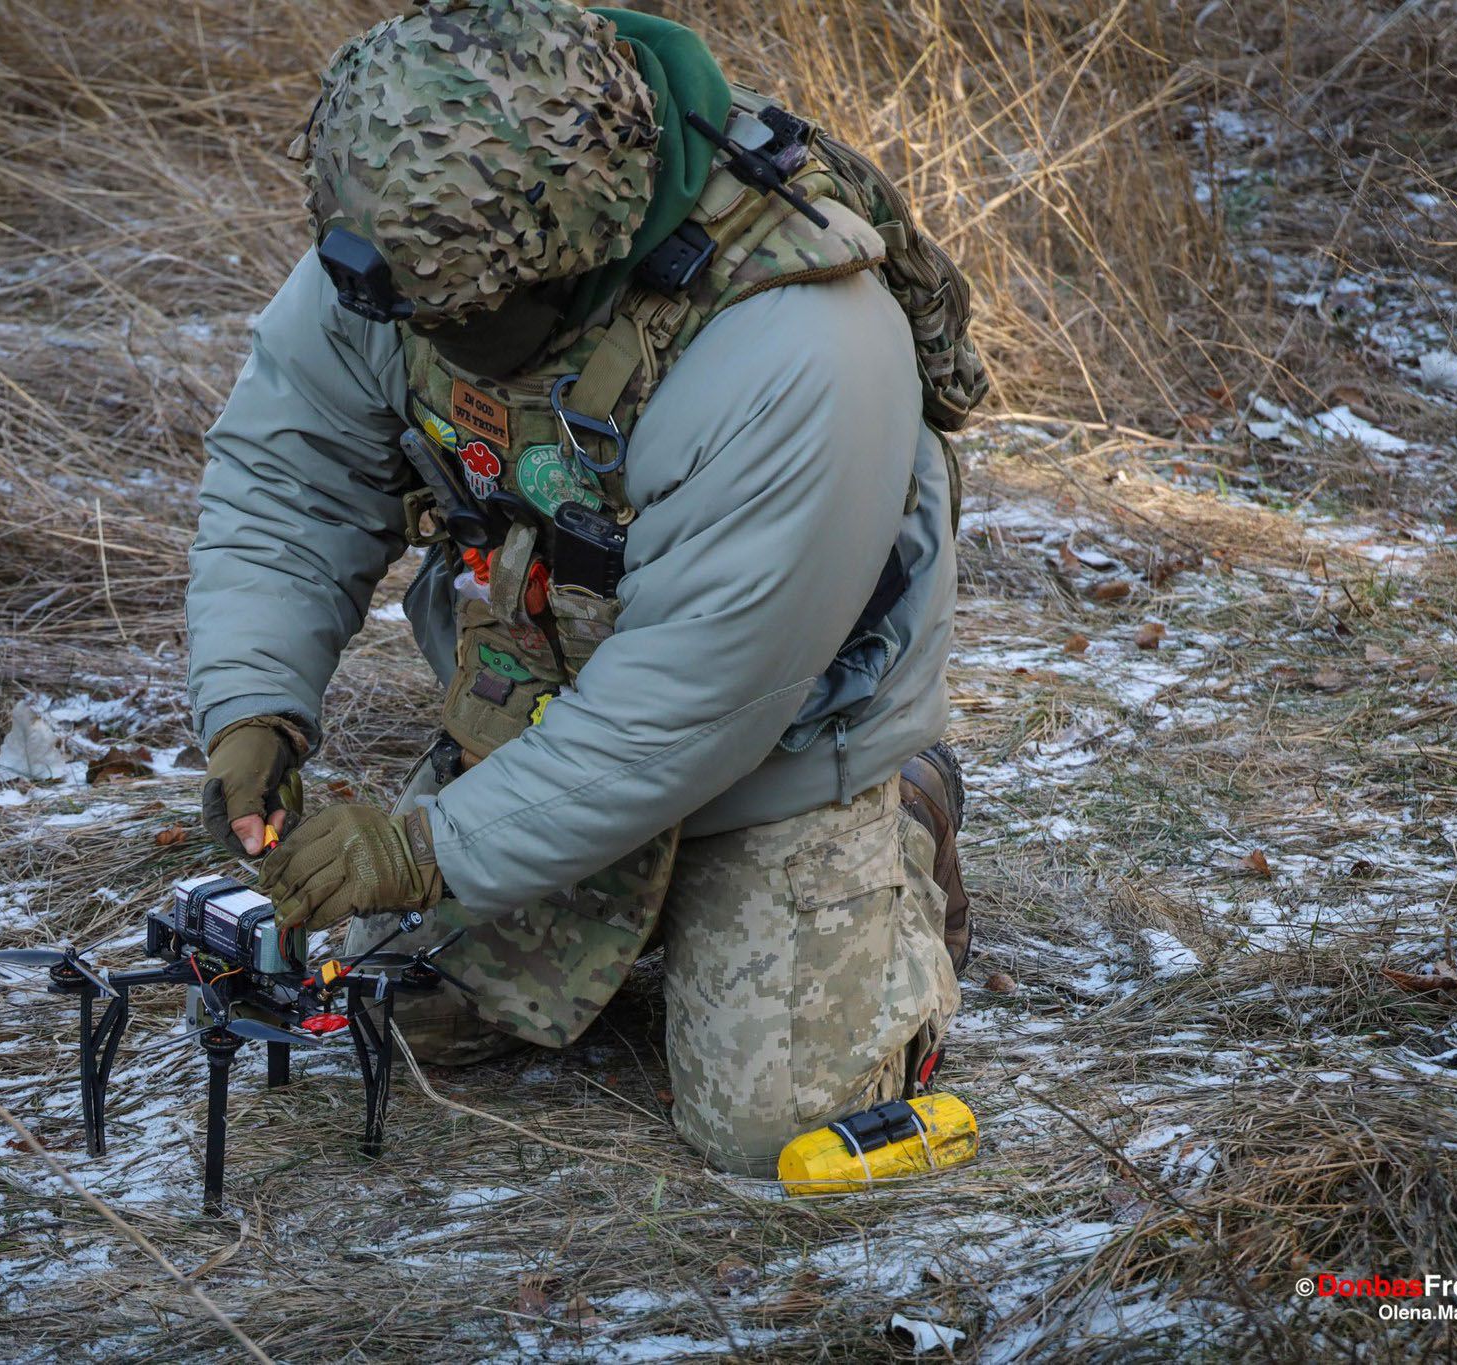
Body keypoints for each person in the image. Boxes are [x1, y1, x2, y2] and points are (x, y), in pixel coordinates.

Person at [186, 0, 986, 1176]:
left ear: (578, 251)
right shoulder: (407, 241)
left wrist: (425, 850)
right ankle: (593, 878)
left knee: (770, 1127)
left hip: (771, 729)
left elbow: (689, 704)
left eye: (463, 316)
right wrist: (252, 705)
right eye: (417, 308)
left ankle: (901, 817)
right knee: (390, 1011)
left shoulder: (795, 345)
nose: (434, 333)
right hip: (540, 694)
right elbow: (289, 476)